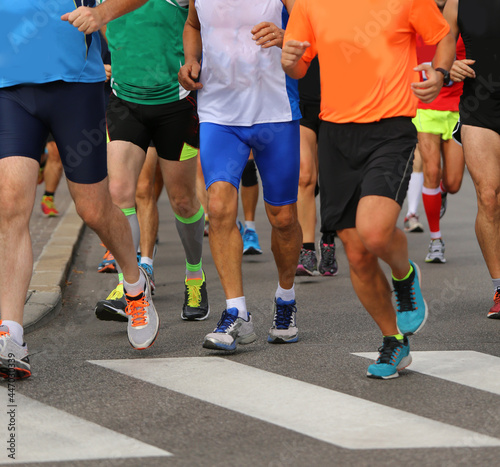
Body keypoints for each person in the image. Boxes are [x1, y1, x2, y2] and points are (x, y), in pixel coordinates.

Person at [282, 0, 456, 378]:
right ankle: (393, 341)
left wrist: (440, 73)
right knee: (357, 253)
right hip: (336, 135)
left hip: (391, 128)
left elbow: (443, 35)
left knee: (374, 231)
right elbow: (298, 65)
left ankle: (403, 273)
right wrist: (289, 59)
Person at [0, 0, 160, 380]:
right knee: (10, 206)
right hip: (9, 87)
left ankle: (135, 284)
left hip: (74, 87)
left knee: (93, 209)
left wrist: (102, 13)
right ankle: (11, 336)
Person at [179, 0, 303, 350]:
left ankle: (286, 298)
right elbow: (192, 24)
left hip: (274, 110)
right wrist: (191, 60)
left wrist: (285, 36)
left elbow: (312, 27)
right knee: (218, 208)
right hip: (218, 111)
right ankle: (237, 313)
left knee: (283, 217)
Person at [94, 0, 209, 323]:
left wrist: (190, 61)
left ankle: (195, 275)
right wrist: (120, 54)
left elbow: (196, 22)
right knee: (118, 193)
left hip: (175, 103)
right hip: (124, 101)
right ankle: (129, 285)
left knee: (183, 201)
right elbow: (100, 19)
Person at [443, 0, 500, 318]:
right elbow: (443, 49)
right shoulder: (457, 3)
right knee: (488, 197)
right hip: (480, 105)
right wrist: (448, 68)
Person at [412, 6, 466, 263]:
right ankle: (436, 240)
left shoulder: (462, 15)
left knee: (454, 183)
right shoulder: (417, 10)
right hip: (426, 106)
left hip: (458, 106)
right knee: (431, 171)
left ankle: (442, 192)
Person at [295, 57, 339, 277]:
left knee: (331, 178)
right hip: (301, 99)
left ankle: (329, 240)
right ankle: (307, 249)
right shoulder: (293, 21)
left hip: (336, 102)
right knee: (304, 177)